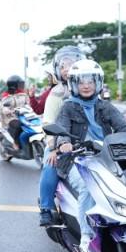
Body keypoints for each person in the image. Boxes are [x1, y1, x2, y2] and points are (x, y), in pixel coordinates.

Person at [54, 59, 126, 252]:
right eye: (81, 81)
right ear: (74, 84)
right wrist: (64, 143)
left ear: (98, 83)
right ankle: (86, 237)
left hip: (104, 156)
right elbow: (62, 129)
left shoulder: (105, 106)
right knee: (88, 187)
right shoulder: (68, 107)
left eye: (90, 81)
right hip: (76, 158)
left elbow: (124, 125)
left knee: (123, 182)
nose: (86, 85)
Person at [38, 46, 86, 226]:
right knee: (51, 166)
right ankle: (45, 208)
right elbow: (48, 121)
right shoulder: (57, 93)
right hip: (58, 141)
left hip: (86, 141)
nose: (68, 69)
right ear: (58, 69)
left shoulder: (89, 87)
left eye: (72, 64)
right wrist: (53, 147)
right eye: (64, 66)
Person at [0, 75, 30, 149]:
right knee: (19, 125)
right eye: (19, 84)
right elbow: (3, 106)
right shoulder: (6, 96)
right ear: (13, 85)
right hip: (11, 117)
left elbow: (28, 104)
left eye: (22, 84)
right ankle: (15, 142)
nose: (21, 86)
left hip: (23, 115)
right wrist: (7, 110)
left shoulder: (23, 94)